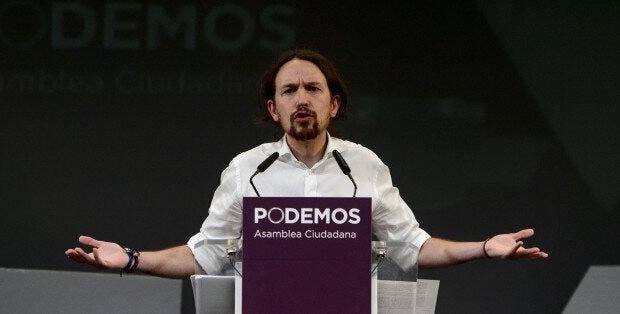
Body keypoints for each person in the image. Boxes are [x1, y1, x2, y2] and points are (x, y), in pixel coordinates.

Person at [65, 49, 548, 279]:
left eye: (313, 89)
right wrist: (130, 258)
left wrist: (484, 247)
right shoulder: (244, 171)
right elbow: (204, 255)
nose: (302, 99)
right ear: (273, 109)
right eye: (289, 90)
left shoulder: (366, 166)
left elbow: (414, 247)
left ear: (333, 104)